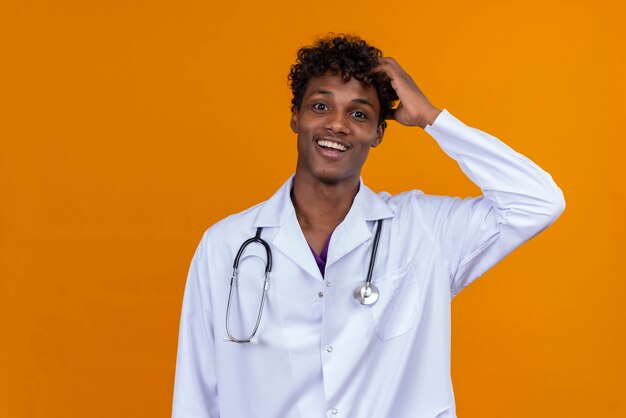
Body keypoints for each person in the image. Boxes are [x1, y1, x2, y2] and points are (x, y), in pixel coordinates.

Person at [172, 34, 565, 418]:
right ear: (296, 117)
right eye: (321, 106)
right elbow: (197, 393)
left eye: (359, 114)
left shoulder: (423, 229)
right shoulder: (226, 245)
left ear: (379, 132)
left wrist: (432, 119)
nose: (338, 125)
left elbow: (538, 201)